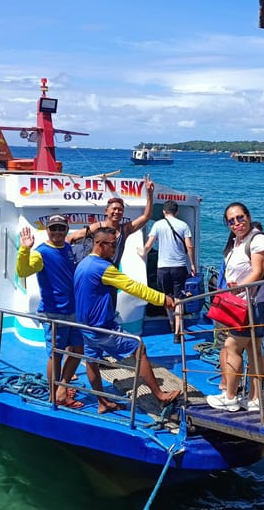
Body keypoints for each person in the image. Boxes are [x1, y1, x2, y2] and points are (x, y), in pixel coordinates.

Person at [74, 226, 181, 413]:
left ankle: (102, 403)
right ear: (99, 244)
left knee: (91, 361)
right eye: (113, 245)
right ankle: (160, 396)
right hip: (101, 327)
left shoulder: (83, 264)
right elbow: (133, 287)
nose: (115, 249)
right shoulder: (103, 268)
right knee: (139, 349)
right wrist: (163, 299)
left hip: (84, 326)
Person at [206, 203, 264, 412]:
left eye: (240, 217)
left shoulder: (258, 239)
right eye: (231, 220)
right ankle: (254, 399)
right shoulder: (238, 241)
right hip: (244, 303)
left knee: (231, 346)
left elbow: (258, 271)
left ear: (248, 216)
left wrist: (238, 290)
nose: (237, 223)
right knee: (253, 350)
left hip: (252, 304)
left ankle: (230, 397)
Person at [16, 214, 83, 409]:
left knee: (78, 350)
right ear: (47, 230)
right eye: (53, 228)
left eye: (61, 228)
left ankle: (62, 388)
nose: (57, 232)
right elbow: (23, 271)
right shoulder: (40, 253)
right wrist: (24, 249)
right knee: (56, 355)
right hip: (54, 312)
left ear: (66, 229)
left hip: (73, 310)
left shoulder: (68, 248)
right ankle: (55, 394)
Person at [66, 175, 155, 270]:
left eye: (120, 210)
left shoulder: (124, 230)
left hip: (111, 272)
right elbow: (70, 237)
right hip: (95, 270)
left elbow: (146, 216)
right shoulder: (96, 227)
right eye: (114, 209)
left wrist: (150, 194)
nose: (117, 212)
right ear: (106, 211)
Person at [141, 200, 197, 339]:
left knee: (167, 298)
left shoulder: (157, 225)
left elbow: (148, 245)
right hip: (179, 267)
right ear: (176, 212)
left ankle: (171, 324)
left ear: (164, 212)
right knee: (179, 299)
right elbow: (189, 247)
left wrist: (141, 253)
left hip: (163, 268)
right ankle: (178, 332)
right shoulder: (184, 225)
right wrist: (193, 264)